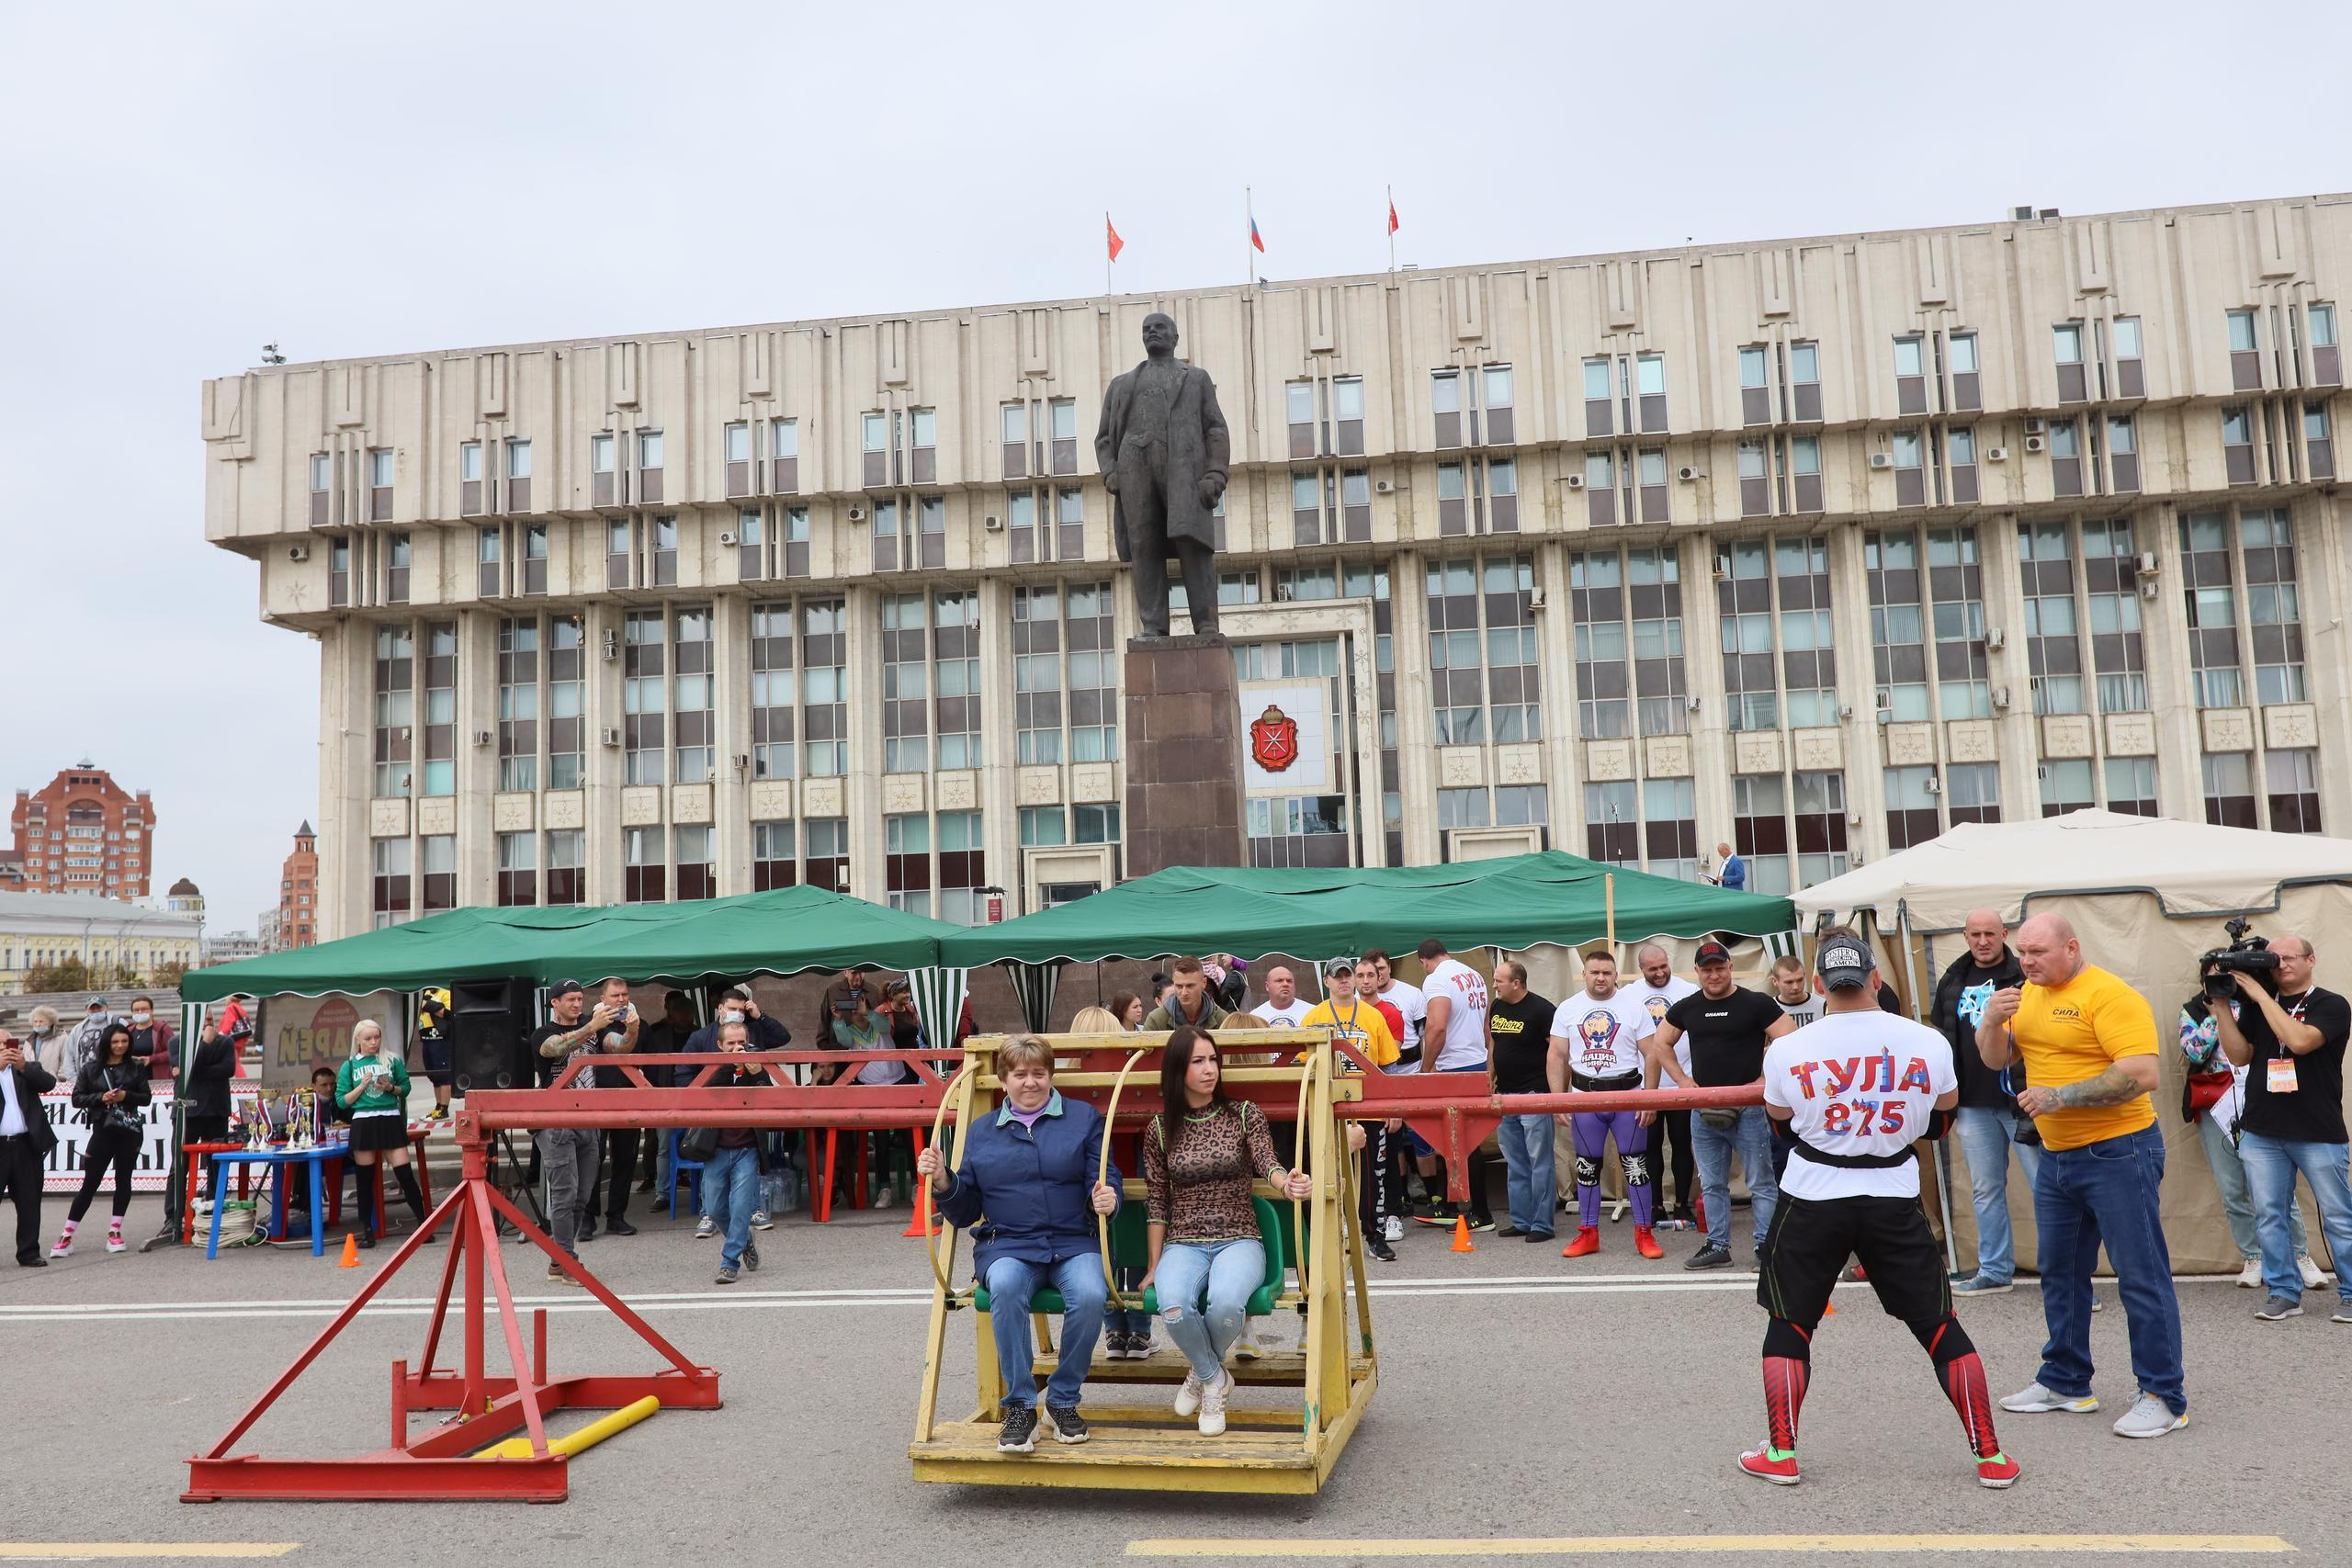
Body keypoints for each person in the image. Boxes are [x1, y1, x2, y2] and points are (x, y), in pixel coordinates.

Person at [1742, 930, 2018, 1490]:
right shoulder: (1927, 1042)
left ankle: (1781, 1451)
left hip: (1813, 1191)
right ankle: (1990, 1455)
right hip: (1892, 1189)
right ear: (1875, 978)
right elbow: (1941, 1122)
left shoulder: (1789, 1048)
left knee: (1790, 1322)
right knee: (1938, 1323)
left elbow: (1781, 1124)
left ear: (1818, 985)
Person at [1978, 913, 2185, 1439]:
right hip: (2058, 1156)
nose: (2026, 962)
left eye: (2038, 953)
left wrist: (2060, 1097)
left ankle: (2163, 1396)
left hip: (2120, 1151)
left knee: (2140, 1274)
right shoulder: (2026, 994)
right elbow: (1996, 1059)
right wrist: (1990, 1022)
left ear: (2071, 948)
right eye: (2022, 952)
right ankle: (2066, 1381)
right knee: (2060, 1270)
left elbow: (2142, 1074)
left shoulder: (2110, 996)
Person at [918, 1035, 1120, 1453]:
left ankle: (1062, 1400)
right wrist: (942, 1180)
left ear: (1051, 1075)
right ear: (1003, 1080)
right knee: (1006, 1287)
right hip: (1007, 1243)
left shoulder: (1084, 1119)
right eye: (1020, 1074)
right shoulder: (981, 1131)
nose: (1031, 1082)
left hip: (1072, 1240)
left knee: (1090, 1293)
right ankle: (1021, 1406)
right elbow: (965, 1209)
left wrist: (1106, 1198)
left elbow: (1103, 1175)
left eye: (1039, 1073)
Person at [1141, 1027, 1311, 1437]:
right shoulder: (1160, 1128)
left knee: (1227, 1304)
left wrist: (1286, 1183)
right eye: (1197, 1061)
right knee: (1172, 1305)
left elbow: (1266, 1162)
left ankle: (1201, 1374)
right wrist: (1153, 1265)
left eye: (1213, 1060)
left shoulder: (1244, 1113)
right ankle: (1215, 1377)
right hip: (1183, 1241)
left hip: (1239, 1236)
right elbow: (1157, 1202)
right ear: (1177, 1070)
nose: (1209, 1069)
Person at [2206, 933, 2352, 1325]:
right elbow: (2240, 1055)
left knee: (2338, 1216)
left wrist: (2259, 995)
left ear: (2311, 960)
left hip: (2317, 1130)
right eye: (2275, 959)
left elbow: (2300, 1042)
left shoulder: (2331, 1004)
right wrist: (2222, 1008)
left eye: (2289, 958)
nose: (2281, 965)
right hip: (2263, 1129)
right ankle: (2284, 1292)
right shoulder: (2258, 1007)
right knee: (2270, 1215)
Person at [1650, 941, 1796, 1269]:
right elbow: (1660, 1043)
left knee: (1761, 1182)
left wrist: (1764, 1080)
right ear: (1697, 972)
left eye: (1719, 968)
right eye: (1707, 969)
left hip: (1749, 1108)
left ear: (1730, 967)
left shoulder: (1756, 1004)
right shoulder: (1687, 1007)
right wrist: (1683, 1081)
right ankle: (1717, 1245)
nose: (1714, 975)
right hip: (1703, 1108)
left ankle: (1765, 1247)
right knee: (1712, 1183)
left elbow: (1791, 1040)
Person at [2180, 992, 2318, 1291]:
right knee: (2232, 1187)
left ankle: (2300, 1255)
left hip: (2261, 1097)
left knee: (2277, 1184)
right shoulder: (2194, 1010)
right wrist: (2216, 1017)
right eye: (2212, 976)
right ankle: (2253, 1257)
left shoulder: (2259, 1004)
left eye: (2226, 976)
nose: (2221, 983)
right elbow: (2194, 1053)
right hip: (2216, 1104)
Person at [1929, 911, 2036, 1296]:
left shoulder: (2025, 974)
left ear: (2004, 934)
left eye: (1990, 933)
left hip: (2024, 1100)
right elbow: (1942, 1035)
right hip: (1972, 1102)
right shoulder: (1953, 978)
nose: (1983, 941)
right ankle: (1994, 1270)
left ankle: (2067, 1278)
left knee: (2048, 1189)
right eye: (1975, 934)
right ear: (1965, 936)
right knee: (1985, 1189)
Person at [1548, 951, 1659, 1257]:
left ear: (1615, 975)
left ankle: (1644, 1234)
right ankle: (1588, 1234)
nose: (1601, 978)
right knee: (1586, 1167)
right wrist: (1558, 1099)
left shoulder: (1633, 1007)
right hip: (1585, 1097)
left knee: (1636, 1167)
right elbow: (1556, 1055)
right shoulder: (1568, 1008)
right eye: (1595, 972)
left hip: (1628, 1096)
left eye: (1607, 973)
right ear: (1583, 974)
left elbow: (1652, 1054)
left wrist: (1650, 1097)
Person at [1303, 959, 1402, 1259]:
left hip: (1369, 1109)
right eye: (1338, 977)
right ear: (1327, 982)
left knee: (1372, 1177)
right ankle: (1337, 1231)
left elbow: (1388, 1067)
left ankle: (1375, 1235)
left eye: (1348, 975)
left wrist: (1393, 1107)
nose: (1344, 981)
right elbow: (1301, 1063)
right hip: (1329, 1109)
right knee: (1328, 1172)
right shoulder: (1314, 1016)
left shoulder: (1373, 1015)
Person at [529, 980, 616, 1281]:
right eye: (570, 999)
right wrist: (591, 1027)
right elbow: (554, 1048)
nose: (577, 1004)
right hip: (555, 1122)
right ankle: (567, 1261)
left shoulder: (593, 1027)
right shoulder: (543, 1033)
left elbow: (620, 1047)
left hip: (588, 1119)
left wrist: (632, 1027)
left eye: (580, 999)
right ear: (554, 1002)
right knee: (564, 1195)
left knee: (582, 1195)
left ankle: (559, 1259)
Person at [50, 1023, 151, 1258]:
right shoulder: (91, 1068)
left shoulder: (135, 1066)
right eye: (115, 1042)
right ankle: (66, 1234)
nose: (120, 1046)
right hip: (102, 1129)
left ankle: (115, 1231)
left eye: (124, 1041)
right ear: (106, 1043)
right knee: (90, 1183)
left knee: (123, 1180)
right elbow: (77, 1098)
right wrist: (100, 1098)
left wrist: (126, 1096)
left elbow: (146, 1097)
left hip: (129, 1130)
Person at [1417, 939, 1495, 1231]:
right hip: (1475, 1060)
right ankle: (1454, 1206)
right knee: (1459, 1141)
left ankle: (1480, 1212)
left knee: (1461, 1142)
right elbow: (1485, 1026)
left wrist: (1426, 1068)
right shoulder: (1474, 975)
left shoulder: (1436, 979)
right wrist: (1488, 1063)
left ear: (1424, 961)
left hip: (1455, 1066)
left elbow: (1437, 1026)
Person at [1624, 945, 1702, 1227]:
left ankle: (1682, 1204)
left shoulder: (1689, 991)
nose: (1659, 973)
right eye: (1652, 969)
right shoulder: (1629, 994)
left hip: (1682, 1081)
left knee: (1682, 1144)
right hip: (1646, 1086)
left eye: (1663, 966)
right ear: (1641, 969)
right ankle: (1655, 1204)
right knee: (1650, 1147)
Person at [335, 1020, 430, 1250]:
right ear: (358, 1040)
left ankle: (424, 1225)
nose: (373, 1042)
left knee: (405, 1174)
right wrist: (361, 1087)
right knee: (364, 1179)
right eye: (368, 1038)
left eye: (376, 1037)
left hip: (389, 1119)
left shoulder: (392, 1060)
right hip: (363, 1121)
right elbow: (341, 1101)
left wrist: (390, 1088)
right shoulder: (350, 1065)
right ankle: (367, 1231)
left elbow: (405, 1088)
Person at [699, 1017, 773, 1286]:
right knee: (714, 1208)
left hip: (747, 1148)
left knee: (741, 1206)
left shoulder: (756, 1067)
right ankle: (744, 1240)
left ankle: (729, 1262)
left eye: (742, 1043)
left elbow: (769, 1099)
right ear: (720, 1046)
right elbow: (707, 1095)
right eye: (731, 1044)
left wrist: (757, 1073)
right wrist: (730, 1065)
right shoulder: (714, 1069)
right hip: (716, 1148)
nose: (737, 1048)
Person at [1487, 960, 1557, 1244]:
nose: (1494, 985)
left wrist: (1555, 1094)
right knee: (1515, 1161)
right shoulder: (1497, 1007)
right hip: (1505, 1094)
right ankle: (1521, 1220)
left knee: (1539, 1161)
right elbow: (1494, 1044)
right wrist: (1488, 1079)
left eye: (1499, 981)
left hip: (1534, 1094)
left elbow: (1557, 1052)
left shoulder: (1542, 1010)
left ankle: (1542, 1224)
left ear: (1516, 983)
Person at [582, 978, 643, 1240]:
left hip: (628, 1099)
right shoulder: (589, 1024)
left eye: (624, 994)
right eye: (615, 995)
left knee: (625, 1159)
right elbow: (615, 1046)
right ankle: (587, 1218)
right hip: (594, 1101)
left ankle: (616, 1216)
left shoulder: (639, 1023)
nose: (621, 999)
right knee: (591, 1159)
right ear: (602, 999)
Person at [0, 1026, 60, 1267]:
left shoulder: (26, 1067)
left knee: (29, 1201)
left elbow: (48, 1083)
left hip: (25, 1145)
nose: (4, 1048)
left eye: (7, 1043)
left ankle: (28, 1251)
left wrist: (23, 1067)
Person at [1143, 957, 1229, 1032]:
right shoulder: (1156, 1020)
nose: (1184, 993)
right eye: (1179, 986)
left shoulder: (1222, 1019)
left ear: (1204, 983)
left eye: (1190, 986)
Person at [416, 989, 454, 1122]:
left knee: (443, 1075)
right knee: (434, 1075)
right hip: (426, 1039)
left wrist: (427, 1005)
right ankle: (438, 1107)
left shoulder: (445, 993)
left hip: (440, 1039)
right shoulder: (425, 993)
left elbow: (449, 1014)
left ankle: (444, 1109)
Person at [125, 998, 175, 1084]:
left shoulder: (162, 1029)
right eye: (136, 1010)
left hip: (157, 1078)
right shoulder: (128, 1031)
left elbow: (174, 1052)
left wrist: (151, 1059)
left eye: (144, 1009)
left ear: (152, 1010)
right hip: (133, 1078)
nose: (140, 1012)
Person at [67, 997, 116, 1079]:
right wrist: (73, 1078)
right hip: (85, 1077)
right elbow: (69, 1055)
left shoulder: (117, 1023)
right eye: (92, 1008)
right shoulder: (77, 1029)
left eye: (99, 1008)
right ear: (86, 1010)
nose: (96, 1011)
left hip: (111, 1075)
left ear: (106, 1007)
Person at [1254, 965, 1312, 1029]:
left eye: (1289, 981)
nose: (1285, 984)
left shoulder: (1311, 1012)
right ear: (1267, 986)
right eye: (1279, 980)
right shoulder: (1255, 1017)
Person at [25, 1007, 69, 1077]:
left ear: (51, 1022)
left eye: (41, 1021)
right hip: (32, 1080)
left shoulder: (61, 1038)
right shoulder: (29, 1040)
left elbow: (65, 1061)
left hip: (53, 1081)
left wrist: (60, 1079)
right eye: (35, 1021)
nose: (38, 1024)